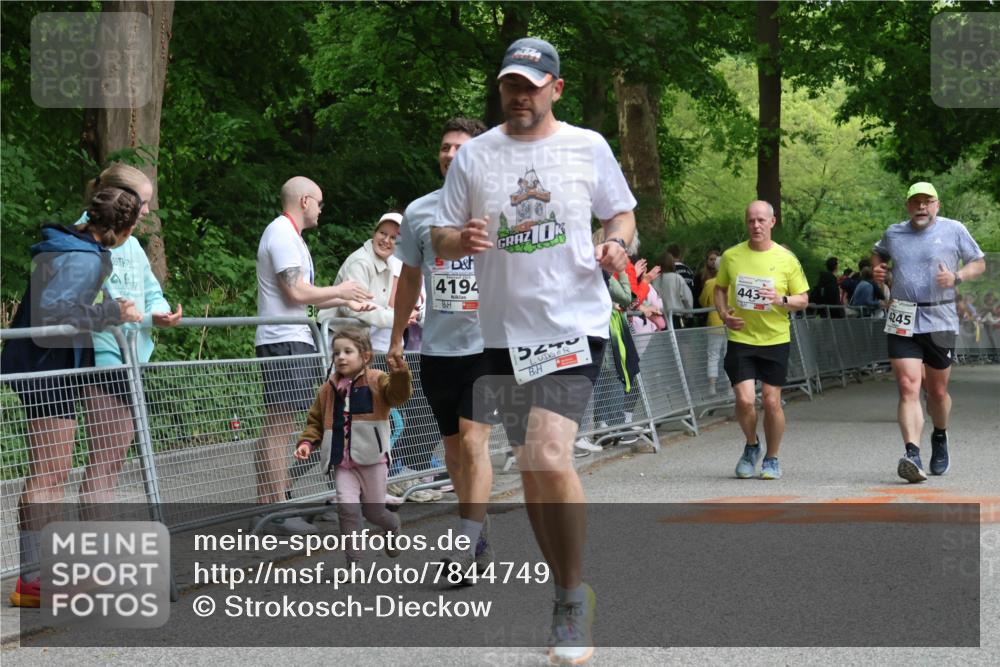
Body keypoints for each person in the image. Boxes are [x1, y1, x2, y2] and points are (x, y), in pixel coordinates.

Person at [433, 37, 636, 664]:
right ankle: (564, 587)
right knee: (531, 473)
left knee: (550, 453)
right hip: (501, 334)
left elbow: (622, 215)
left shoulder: (588, 146)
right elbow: (438, 236)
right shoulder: (478, 157)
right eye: (509, 86)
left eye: (530, 84)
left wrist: (617, 245)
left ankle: (572, 600)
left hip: (573, 324)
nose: (519, 96)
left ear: (556, 88)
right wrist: (457, 239)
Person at [2, 186, 144, 607]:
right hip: (46, 367)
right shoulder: (81, 256)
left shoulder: (74, 244)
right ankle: (35, 579)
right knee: (49, 473)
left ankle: (36, 576)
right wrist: (111, 313)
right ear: (121, 228)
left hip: (48, 365)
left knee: (51, 471)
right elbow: (53, 317)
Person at [386, 116, 498, 571]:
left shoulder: (498, 209)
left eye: (460, 148)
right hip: (438, 350)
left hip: (488, 348)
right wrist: (396, 337)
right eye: (445, 147)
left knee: (474, 444)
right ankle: (479, 526)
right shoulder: (419, 212)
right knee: (453, 453)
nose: (450, 154)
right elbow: (411, 278)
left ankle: (465, 545)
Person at [255, 176, 373, 535]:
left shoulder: (292, 238)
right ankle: (275, 508)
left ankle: (270, 506)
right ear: (305, 201)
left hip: (292, 339)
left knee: (283, 425)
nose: (321, 210)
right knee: (280, 428)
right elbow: (296, 292)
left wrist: (346, 300)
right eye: (319, 203)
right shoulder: (282, 234)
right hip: (283, 340)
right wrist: (340, 290)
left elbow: (307, 293)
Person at [74, 164, 183, 513]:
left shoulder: (133, 244)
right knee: (105, 457)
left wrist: (160, 314)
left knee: (115, 458)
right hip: (102, 357)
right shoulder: (82, 237)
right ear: (122, 199)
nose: (148, 210)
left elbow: (152, 293)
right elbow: (76, 301)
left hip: (132, 357)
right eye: (144, 202)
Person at [871, 182, 986, 482]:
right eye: (916, 202)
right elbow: (878, 254)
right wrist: (879, 272)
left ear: (937, 204)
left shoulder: (954, 229)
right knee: (908, 385)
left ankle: (939, 434)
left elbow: (979, 262)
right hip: (902, 313)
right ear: (908, 206)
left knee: (936, 391)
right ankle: (912, 453)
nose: (922, 207)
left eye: (928, 201)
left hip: (940, 315)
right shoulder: (894, 232)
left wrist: (958, 276)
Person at [294, 326, 411, 564]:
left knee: (374, 512)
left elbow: (398, 396)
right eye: (337, 353)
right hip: (342, 462)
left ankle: (392, 525)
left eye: (348, 351)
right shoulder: (327, 389)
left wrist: (400, 374)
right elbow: (315, 420)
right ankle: (354, 561)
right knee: (347, 510)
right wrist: (307, 442)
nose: (341, 357)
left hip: (372, 460)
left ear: (365, 356)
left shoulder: (377, 380)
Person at [714, 201, 810, 480]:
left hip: (775, 339)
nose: (755, 225)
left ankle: (772, 457)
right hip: (741, 337)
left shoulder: (786, 259)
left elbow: (803, 300)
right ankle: (752, 446)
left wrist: (780, 299)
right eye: (750, 221)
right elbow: (720, 289)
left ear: (772, 222)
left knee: (771, 402)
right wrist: (723, 313)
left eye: (760, 220)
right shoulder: (732, 256)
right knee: (745, 401)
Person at [322, 211, 406, 353]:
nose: (386, 240)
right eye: (382, 233)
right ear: (374, 233)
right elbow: (351, 307)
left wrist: (404, 315)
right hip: (337, 340)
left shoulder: (389, 263)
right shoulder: (361, 261)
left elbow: (381, 306)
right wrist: (397, 318)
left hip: (356, 340)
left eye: (393, 237)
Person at [698, 249, 727, 396]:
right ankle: (730, 388)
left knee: (713, 355)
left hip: (714, 323)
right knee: (729, 355)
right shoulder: (733, 281)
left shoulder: (710, 283)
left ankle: (712, 387)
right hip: (730, 323)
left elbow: (703, 302)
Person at [651, 250, 694, 329]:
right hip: (676, 317)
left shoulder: (654, 280)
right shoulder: (677, 278)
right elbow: (687, 298)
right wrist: (689, 315)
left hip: (660, 318)